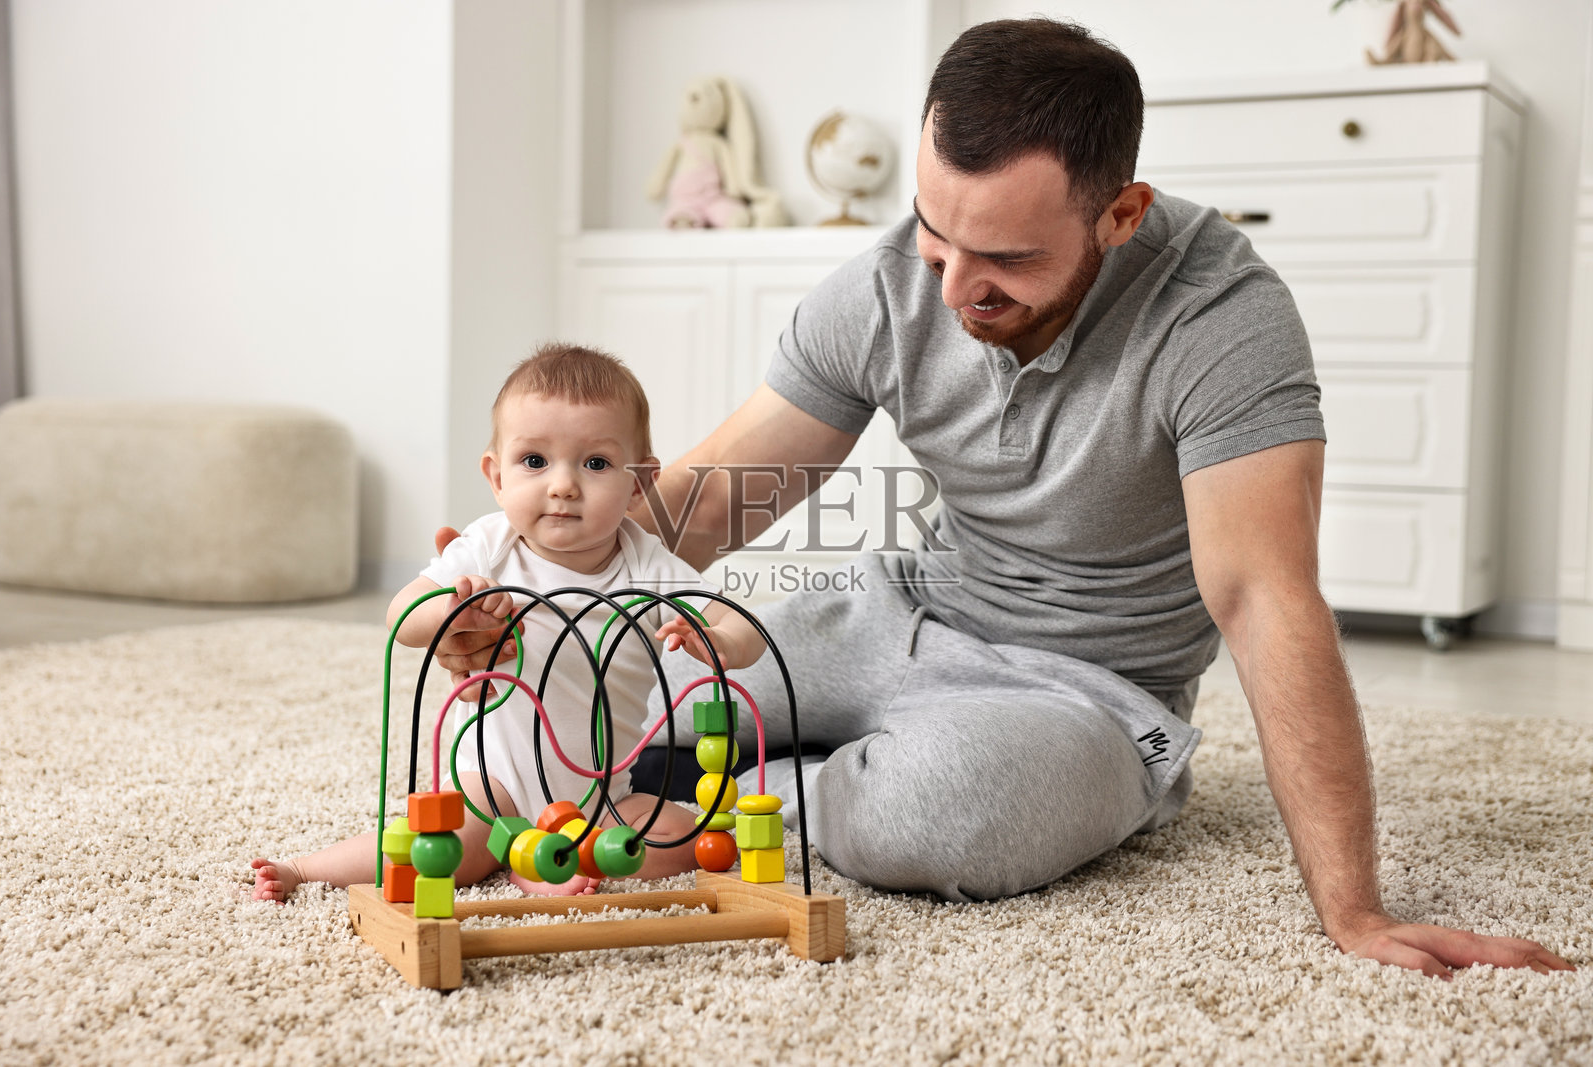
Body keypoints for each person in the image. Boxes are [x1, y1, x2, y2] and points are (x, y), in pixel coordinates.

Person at [431, 20, 1573, 977]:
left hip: (1085, 689)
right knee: (665, 671)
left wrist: (1355, 907)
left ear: (1119, 216)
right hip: (900, 609)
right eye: (936, 233)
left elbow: (1266, 598)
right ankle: (718, 780)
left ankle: (731, 791)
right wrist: (517, 589)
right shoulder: (892, 281)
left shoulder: (1222, 317)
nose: (956, 284)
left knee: (928, 814)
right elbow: (707, 504)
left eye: (1007, 261)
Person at [251, 343, 765, 901]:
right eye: (535, 461)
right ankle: (306, 869)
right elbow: (402, 613)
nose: (563, 484)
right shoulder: (489, 550)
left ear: (639, 483)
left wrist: (718, 642)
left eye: (595, 463)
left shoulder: (650, 566)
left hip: (603, 794)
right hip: (494, 785)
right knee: (437, 845)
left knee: (686, 838)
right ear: (496, 477)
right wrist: (450, 613)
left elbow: (746, 629)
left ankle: (544, 858)